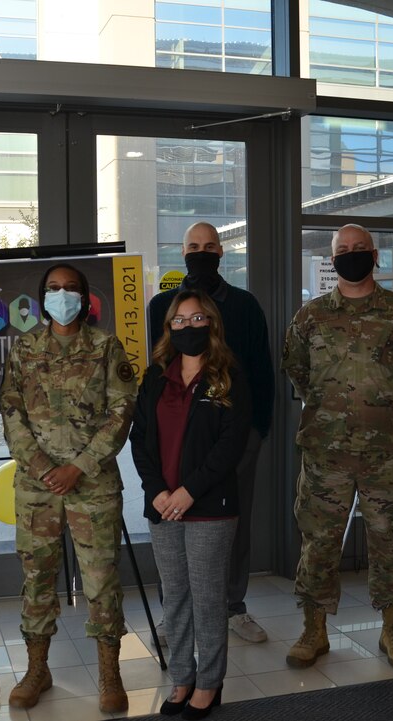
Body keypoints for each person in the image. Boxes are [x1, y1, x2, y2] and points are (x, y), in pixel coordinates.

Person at [281, 224, 393, 671]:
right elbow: (296, 369)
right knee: (319, 543)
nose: (350, 255)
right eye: (342, 251)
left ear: (374, 255)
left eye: (358, 249)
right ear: (332, 260)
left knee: (390, 542)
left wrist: (388, 408)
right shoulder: (310, 317)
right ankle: (314, 631)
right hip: (325, 454)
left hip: (385, 454)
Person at [0, 263, 137, 713]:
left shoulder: (105, 346)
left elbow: (122, 412)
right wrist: (42, 466)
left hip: (92, 484)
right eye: (55, 289)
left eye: (71, 289)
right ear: (43, 297)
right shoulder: (23, 350)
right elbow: (11, 412)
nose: (63, 295)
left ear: (84, 298)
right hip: (37, 487)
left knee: (101, 581)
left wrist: (77, 466)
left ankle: (109, 673)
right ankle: (37, 669)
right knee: (37, 578)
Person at [147, 221, 274, 644]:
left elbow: (261, 371)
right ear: (182, 252)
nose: (201, 252)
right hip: (175, 439)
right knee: (174, 522)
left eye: (209, 246)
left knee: (232, 526)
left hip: (235, 441)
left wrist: (258, 430)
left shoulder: (244, 304)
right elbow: (155, 369)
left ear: (222, 252)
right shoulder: (161, 306)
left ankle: (232, 607)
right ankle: (174, 615)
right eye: (192, 246)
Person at [131, 289, 250, 720]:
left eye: (196, 318)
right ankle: (182, 678)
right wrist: (158, 492)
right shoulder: (155, 377)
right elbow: (139, 440)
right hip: (163, 507)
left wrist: (187, 492)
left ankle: (209, 684)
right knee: (175, 598)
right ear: (168, 329)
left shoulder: (229, 377)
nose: (187, 326)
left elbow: (230, 446)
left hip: (209, 508)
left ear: (212, 324)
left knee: (207, 598)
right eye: (178, 320)